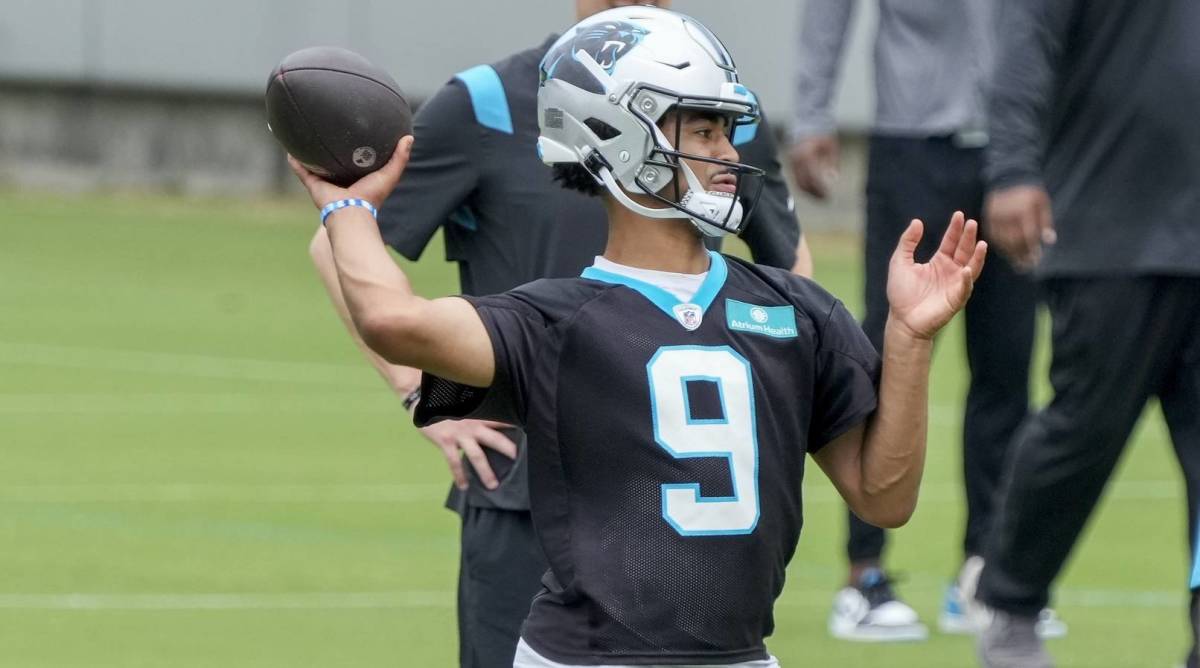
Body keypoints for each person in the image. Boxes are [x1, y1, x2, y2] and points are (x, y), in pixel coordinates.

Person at [292, 6, 986, 666]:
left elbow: (885, 498)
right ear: (616, 135)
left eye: (725, 129)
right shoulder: (552, 322)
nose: (727, 151)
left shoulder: (795, 311)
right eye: (704, 131)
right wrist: (347, 207)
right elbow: (392, 319)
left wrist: (910, 338)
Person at [788, 0, 1042, 642]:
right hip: (912, 147)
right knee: (883, 352)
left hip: (1012, 149)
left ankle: (984, 575)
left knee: (1007, 363)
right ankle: (863, 574)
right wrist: (813, 112)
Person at [974, 1, 1200, 666]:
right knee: (1084, 428)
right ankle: (1012, 607)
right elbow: (1024, 44)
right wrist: (1013, 168)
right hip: (1111, 228)